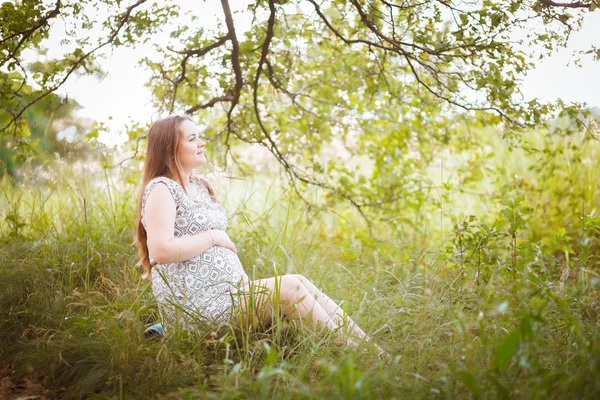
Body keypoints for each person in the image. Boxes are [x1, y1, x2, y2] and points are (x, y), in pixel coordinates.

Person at [135, 115, 383, 353]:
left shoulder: (199, 186)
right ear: (169, 148)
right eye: (192, 139)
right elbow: (162, 250)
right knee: (289, 287)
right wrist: (213, 237)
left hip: (228, 295)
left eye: (199, 136)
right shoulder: (162, 188)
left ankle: (370, 349)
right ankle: (355, 354)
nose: (201, 143)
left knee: (297, 280)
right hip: (198, 309)